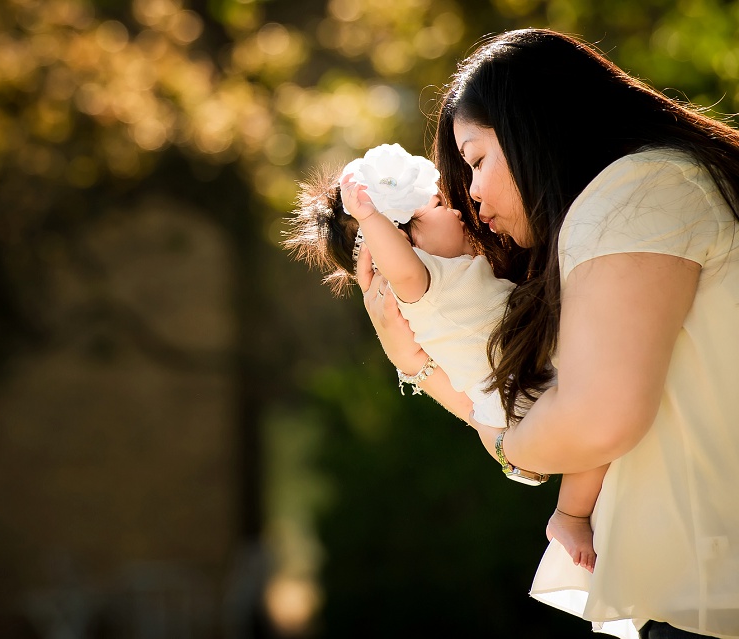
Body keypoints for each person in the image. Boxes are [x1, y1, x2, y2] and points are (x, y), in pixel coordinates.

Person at [358, 28, 739, 639]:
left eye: (477, 159)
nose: (473, 195)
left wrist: (512, 447)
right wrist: (418, 366)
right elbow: (561, 431)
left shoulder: (637, 191)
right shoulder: (643, 193)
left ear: (534, 124)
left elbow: (593, 423)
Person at [284, 143, 602, 573]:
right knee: (596, 428)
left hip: (524, 377)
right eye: (436, 206)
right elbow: (399, 264)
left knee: (597, 430)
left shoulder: (451, 271)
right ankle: (569, 516)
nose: (456, 209)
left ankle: (571, 515)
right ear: (404, 240)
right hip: (518, 392)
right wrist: (369, 216)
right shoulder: (422, 285)